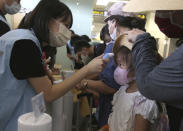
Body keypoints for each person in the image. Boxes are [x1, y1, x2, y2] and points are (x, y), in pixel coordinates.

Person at [0, 0, 104, 130]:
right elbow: (49, 94)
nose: (67, 32)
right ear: (47, 19)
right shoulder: (25, 44)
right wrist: (87, 70)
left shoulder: (23, 38)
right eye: (65, 25)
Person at [123, 0, 183, 130]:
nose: (161, 14)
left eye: (167, 9)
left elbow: (148, 85)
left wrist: (143, 41)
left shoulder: (145, 102)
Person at [108, 46, 159, 131]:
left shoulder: (144, 100)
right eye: (118, 64)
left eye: (122, 64)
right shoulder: (122, 90)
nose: (117, 70)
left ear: (138, 66)